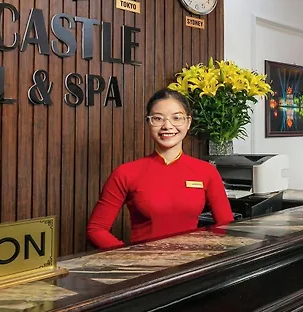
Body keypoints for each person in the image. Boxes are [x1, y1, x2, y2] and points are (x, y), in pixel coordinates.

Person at [86, 89, 234, 248]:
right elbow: (96, 229)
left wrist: (205, 250)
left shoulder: (206, 171)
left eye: (177, 118)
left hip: (192, 260)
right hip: (145, 261)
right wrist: (127, 255)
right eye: (158, 118)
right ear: (148, 123)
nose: (167, 126)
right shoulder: (126, 173)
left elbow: (226, 226)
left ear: (188, 122)